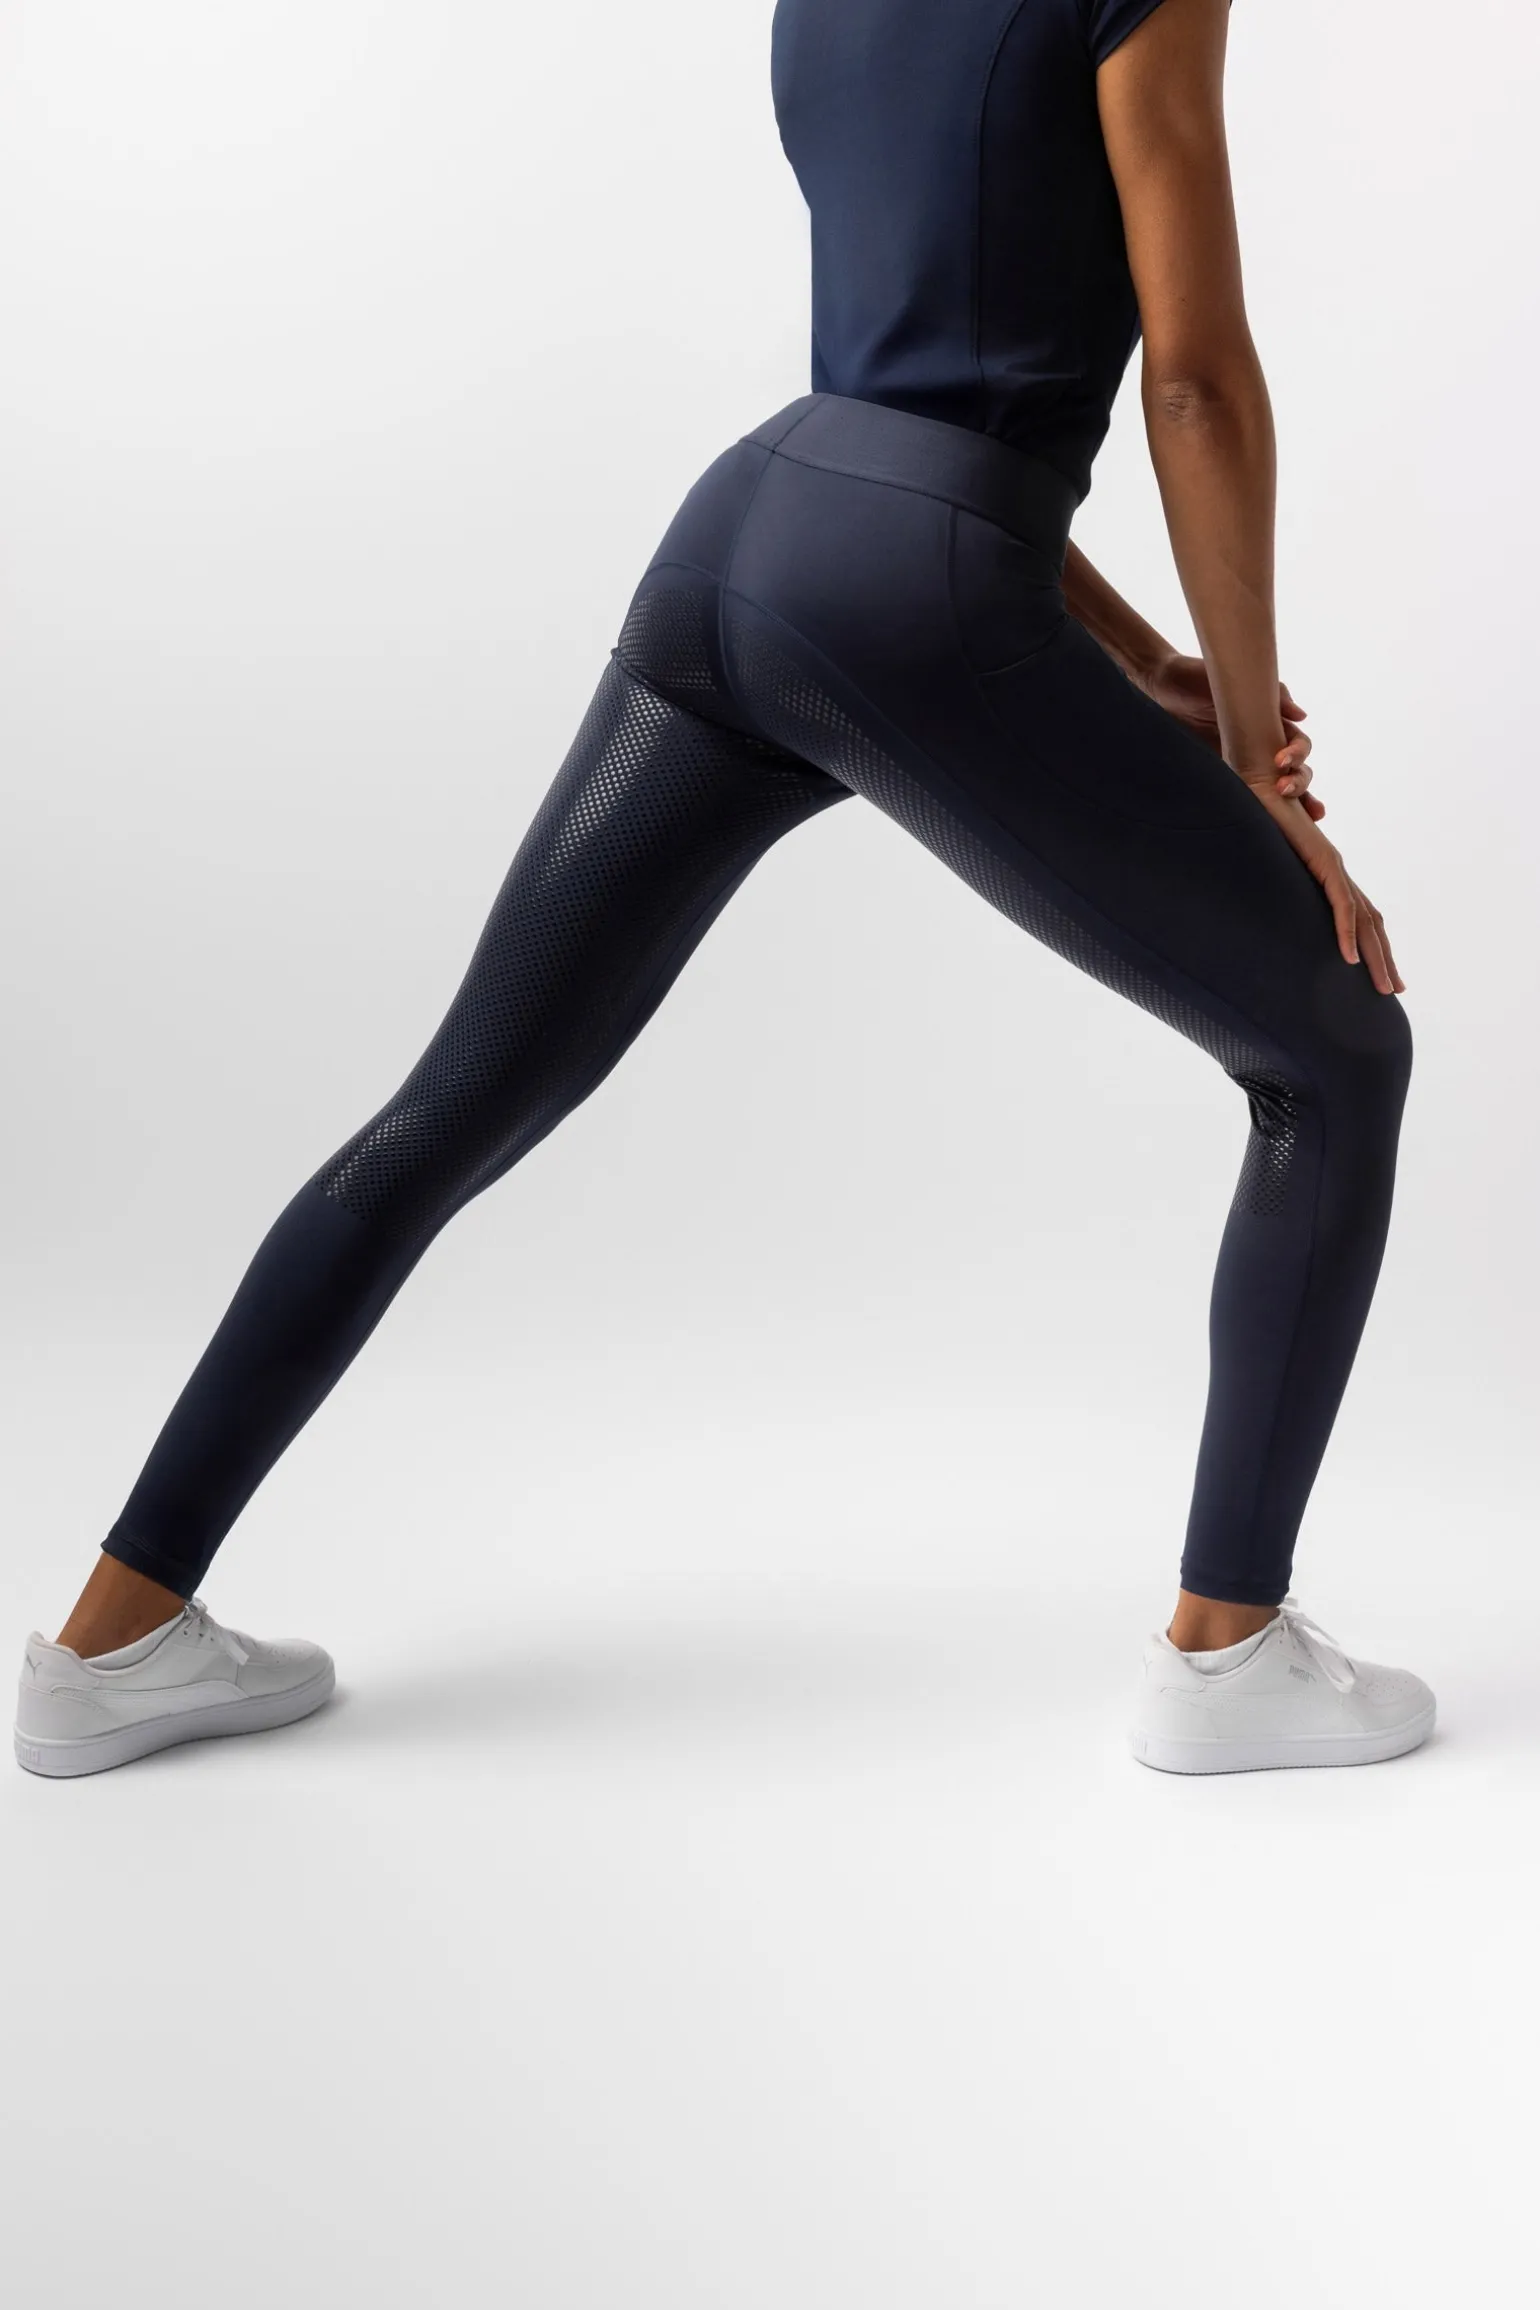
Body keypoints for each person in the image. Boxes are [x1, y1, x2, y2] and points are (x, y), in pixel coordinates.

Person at [13, 0, 1434, 1780]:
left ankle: (110, 1641)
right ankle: (1230, 1659)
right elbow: (1193, 378)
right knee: (1336, 1048)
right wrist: (1248, 760)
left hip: (746, 542)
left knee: (452, 1104)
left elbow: (905, 368)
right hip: (913, 595)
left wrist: (1137, 653)